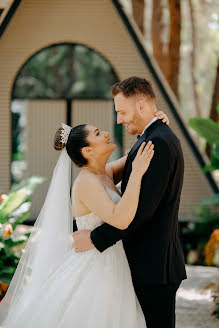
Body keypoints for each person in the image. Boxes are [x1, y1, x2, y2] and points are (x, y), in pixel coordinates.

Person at [0, 111, 169, 327]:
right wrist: (135, 175)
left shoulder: (102, 174)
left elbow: (137, 154)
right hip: (97, 267)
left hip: (113, 262)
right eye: (98, 133)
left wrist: (155, 123)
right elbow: (120, 219)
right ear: (88, 150)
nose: (107, 133)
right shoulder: (87, 182)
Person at [73, 77, 187, 328]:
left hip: (154, 266)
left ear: (142, 105)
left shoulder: (156, 142)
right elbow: (108, 177)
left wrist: (95, 238)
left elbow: (142, 211)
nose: (118, 120)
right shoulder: (153, 138)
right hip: (146, 264)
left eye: (122, 112)